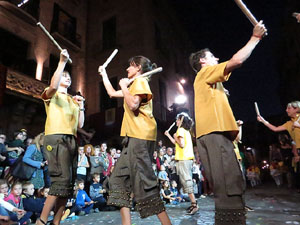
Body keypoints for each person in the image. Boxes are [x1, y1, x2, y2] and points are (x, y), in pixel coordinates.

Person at [190, 21, 267, 224]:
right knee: (228, 187)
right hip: (215, 135)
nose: (216, 58)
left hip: (216, 135)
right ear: (202, 62)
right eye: (212, 56)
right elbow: (236, 61)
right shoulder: (205, 73)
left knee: (228, 185)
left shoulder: (209, 82)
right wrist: (255, 38)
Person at [99, 56, 171, 225]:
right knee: (117, 180)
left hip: (140, 135)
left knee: (145, 183)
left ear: (138, 68)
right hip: (131, 138)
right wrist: (104, 74)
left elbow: (133, 105)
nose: (127, 70)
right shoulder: (133, 85)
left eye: (130, 67)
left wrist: (124, 85)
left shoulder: (140, 83)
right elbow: (111, 93)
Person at [36, 49, 85, 225]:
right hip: (55, 137)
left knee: (68, 185)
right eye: (64, 76)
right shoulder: (52, 93)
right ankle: (41, 221)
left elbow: (80, 125)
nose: (68, 78)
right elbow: (54, 86)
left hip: (71, 139)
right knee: (60, 181)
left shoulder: (72, 100)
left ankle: (56, 221)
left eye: (68, 77)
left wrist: (81, 106)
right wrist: (62, 62)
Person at [257, 101, 300, 191]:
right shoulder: (289, 123)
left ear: (296, 109)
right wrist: (263, 121)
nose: (286, 110)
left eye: (289, 108)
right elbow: (275, 129)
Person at [164, 112, 198, 215]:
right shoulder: (185, 131)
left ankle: (194, 204)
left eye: (177, 120)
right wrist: (169, 135)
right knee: (186, 181)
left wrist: (174, 136)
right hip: (186, 159)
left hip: (183, 159)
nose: (176, 122)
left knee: (186, 181)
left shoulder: (180, 130)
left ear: (181, 120)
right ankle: (193, 203)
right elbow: (177, 143)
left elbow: (181, 144)